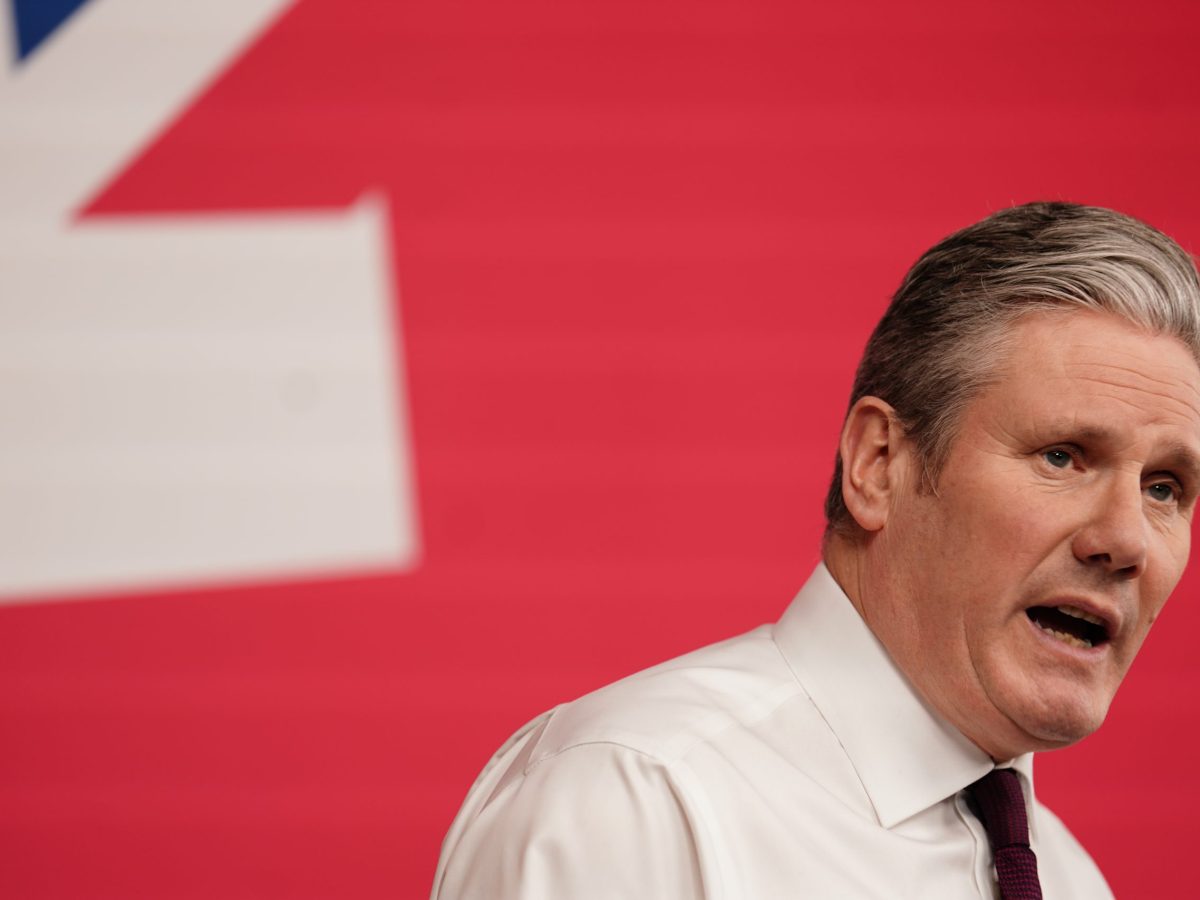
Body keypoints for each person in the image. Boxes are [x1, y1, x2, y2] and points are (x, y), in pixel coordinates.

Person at [432, 202, 1200, 899]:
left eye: (1165, 488)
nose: (1127, 539)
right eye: (1062, 456)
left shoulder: (1071, 881)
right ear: (878, 465)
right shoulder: (638, 802)